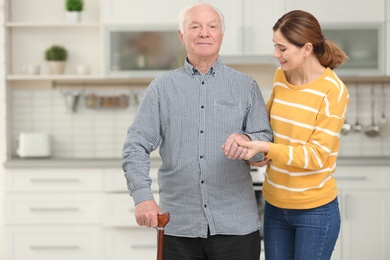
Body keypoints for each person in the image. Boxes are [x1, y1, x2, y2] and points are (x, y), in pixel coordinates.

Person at [121, 2, 273, 260]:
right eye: (195, 26)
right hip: (178, 227)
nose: (205, 32)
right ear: (182, 36)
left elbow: (264, 145)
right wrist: (142, 197)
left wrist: (248, 142)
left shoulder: (245, 86)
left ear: (221, 35)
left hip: (236, 227)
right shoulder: (161, 88)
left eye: (212, 26)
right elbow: (135, 145)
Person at [225, 9, 350, 260]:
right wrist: (251, 144)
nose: (275, 54)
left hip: (314, 211)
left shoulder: (333, 91)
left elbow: (317, 157)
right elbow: (270, 130)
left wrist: (269, 149)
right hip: (275, 206)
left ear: (306, 48)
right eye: (275, 46)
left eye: (282, 48)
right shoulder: (281, 77)